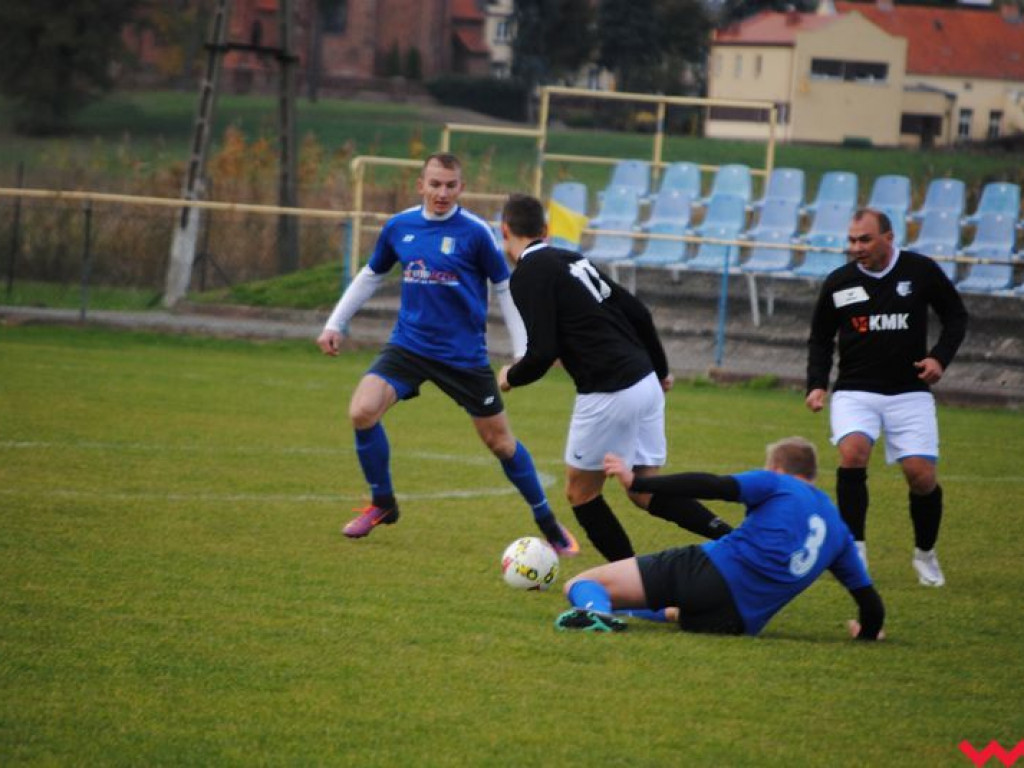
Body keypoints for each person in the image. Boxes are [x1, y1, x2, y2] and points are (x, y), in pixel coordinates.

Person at [316, 153, 578, 554]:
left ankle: (547, 521)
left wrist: (523, 351)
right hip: (409, 345)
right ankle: (383, 503)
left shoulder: (475, 233)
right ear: (420, 185)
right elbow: (371, 275)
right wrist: (335, 323)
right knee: (362, 411)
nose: (442, 192)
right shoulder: (399, 226)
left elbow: (504, 288)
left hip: (463, 356)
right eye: (435, 184)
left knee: (500, 443)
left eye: (450, 185)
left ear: (461, 188)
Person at [496, 193, 733, 563]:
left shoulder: (527, 274)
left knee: (581, 493)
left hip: (609, 391)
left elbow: (542, 352)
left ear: (504, 230)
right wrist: (661, 370)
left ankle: (631, 579)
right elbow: (638, 312)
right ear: (545, 229)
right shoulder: (572, 259)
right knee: (645, 489)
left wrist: (510, 376)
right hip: (644, 381)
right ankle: (734, 539)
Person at [555, 437, 886, 640]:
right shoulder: (839, 531)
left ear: (776, 467)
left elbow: (711, 485)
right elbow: (870, 604)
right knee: (672, 609)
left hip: (708, 572)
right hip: (734, 621)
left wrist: (639, 483)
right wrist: (868, 634)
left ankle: (597, 614)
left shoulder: (777, 483)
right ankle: (622, 613)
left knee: (582, 584)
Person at [805, 208, 968, 587]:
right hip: (855, 389)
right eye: (852, 240)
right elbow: (820, 338)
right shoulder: (839, 282)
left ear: (889, 238)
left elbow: (956, 316)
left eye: (865, 239)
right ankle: (854, 550)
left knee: (920, 475)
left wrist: (939, 358)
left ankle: (925, 554)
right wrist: (817, 383)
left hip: (909, 392)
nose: (856, 247)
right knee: (853, 453)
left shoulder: (920, 271)